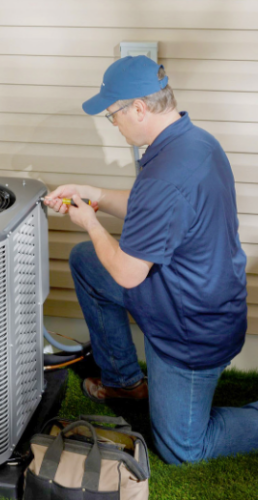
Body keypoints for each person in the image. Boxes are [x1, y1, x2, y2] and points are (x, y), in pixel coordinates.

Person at [44, 55, 258, 465]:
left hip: (192, 329)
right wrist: (96, 194)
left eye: (113, 116)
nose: (115, 125)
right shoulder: (193, 141)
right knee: (88, 262)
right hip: (184, 291)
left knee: (183, 450)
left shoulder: (166, 174)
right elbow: (151, 207)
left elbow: (127, 272)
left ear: (138, 108)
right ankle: (125, 383)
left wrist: (89, 220)